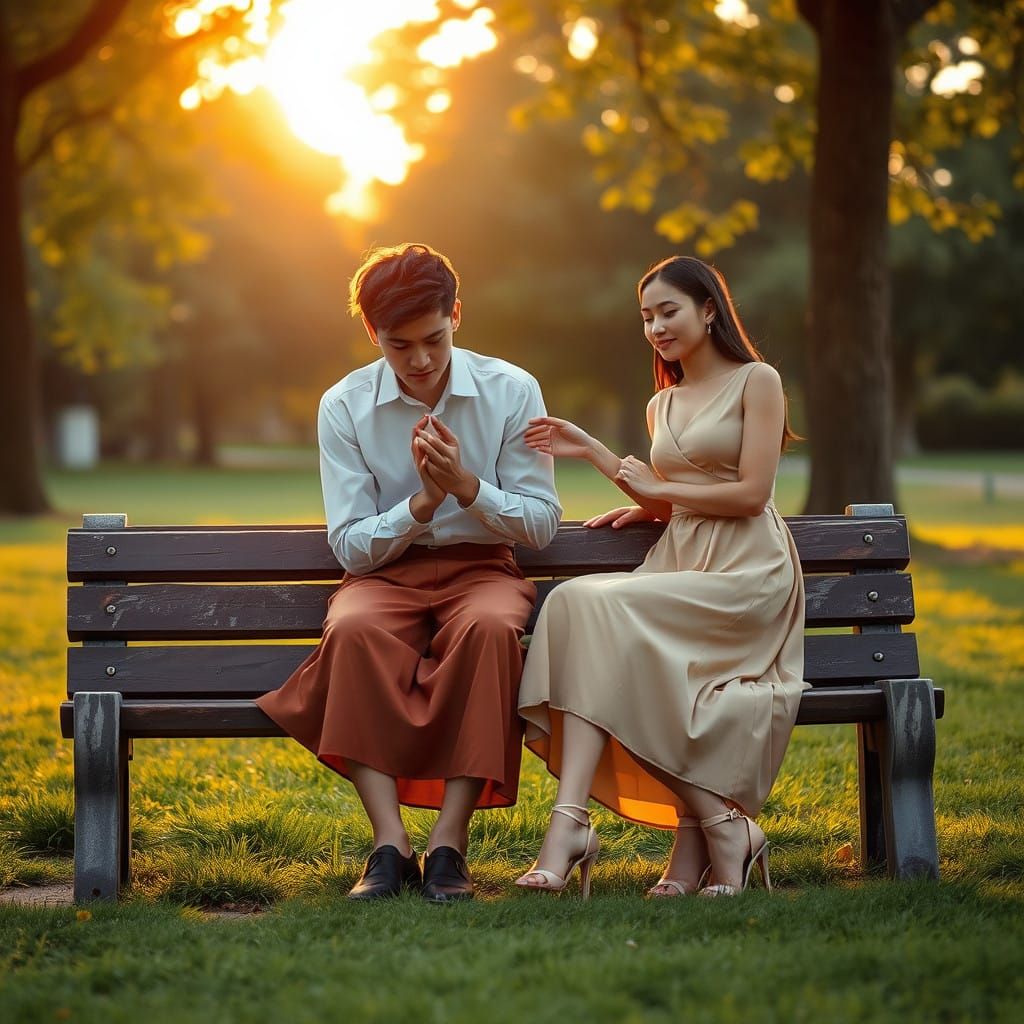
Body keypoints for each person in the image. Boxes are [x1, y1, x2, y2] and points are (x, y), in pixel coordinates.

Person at [257, 243, 561, 903]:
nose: (420, 360)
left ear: (457, 314)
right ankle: (389, 844)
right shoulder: (344, 406)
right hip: (384, 575)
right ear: (373, 334)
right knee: (353, 630)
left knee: (487, 631)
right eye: (400, 346)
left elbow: (540, 524)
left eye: (434, 338)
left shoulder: (512, 390)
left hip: (482, 570)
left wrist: (469, 488)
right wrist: (423, 504)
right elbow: (351, 546)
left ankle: (449, 844)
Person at [515, 255, 808, 899]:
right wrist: (607, 463)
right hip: (682, 558)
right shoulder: (660, 403)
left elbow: (754, 493)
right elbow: (672, 498)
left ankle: (615, 831)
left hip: (745, 570)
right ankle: (592, 822)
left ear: (709, 309)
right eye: (646, 317)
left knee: (587, 608)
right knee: (570, 607)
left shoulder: (758, 381)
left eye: (668, 311)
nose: (655, 327)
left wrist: (663, 491)